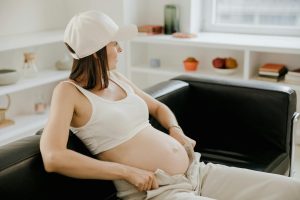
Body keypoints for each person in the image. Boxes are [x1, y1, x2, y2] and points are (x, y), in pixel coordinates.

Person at [40, 10, 300, 200]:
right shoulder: (68, 92)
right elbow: (53, 157)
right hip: (159, 191)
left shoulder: (116, 78)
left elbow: (158, 108)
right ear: (96, 50)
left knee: (292, 190)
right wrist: (127, 172)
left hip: (196, 170)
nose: (121, 50)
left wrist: (176, 131)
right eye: (114, 44)